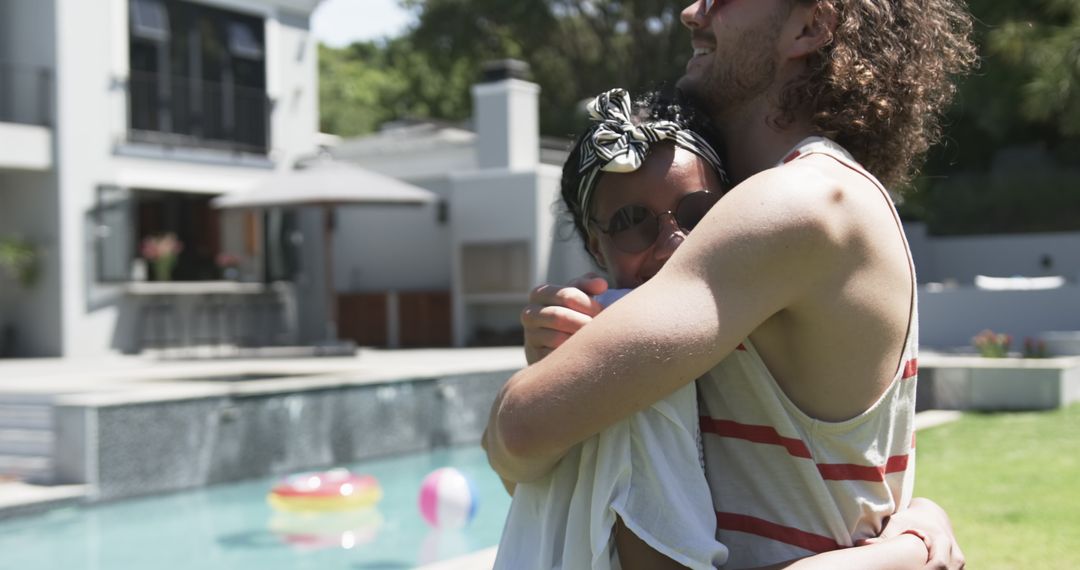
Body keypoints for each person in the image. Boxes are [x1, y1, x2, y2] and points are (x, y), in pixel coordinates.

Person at [485, 0, 977, 568]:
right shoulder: (807, 204)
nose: (693, 13)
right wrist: (916, 534)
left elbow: (520, 430)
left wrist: (543, 397)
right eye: (629, 222)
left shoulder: (799, 203)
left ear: (809, 25)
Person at [494, 89, 733, 570]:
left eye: (698, 213)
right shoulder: (627, 350)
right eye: (631, 222)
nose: (671, 244)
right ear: (594, 246)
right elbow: (520, 474)